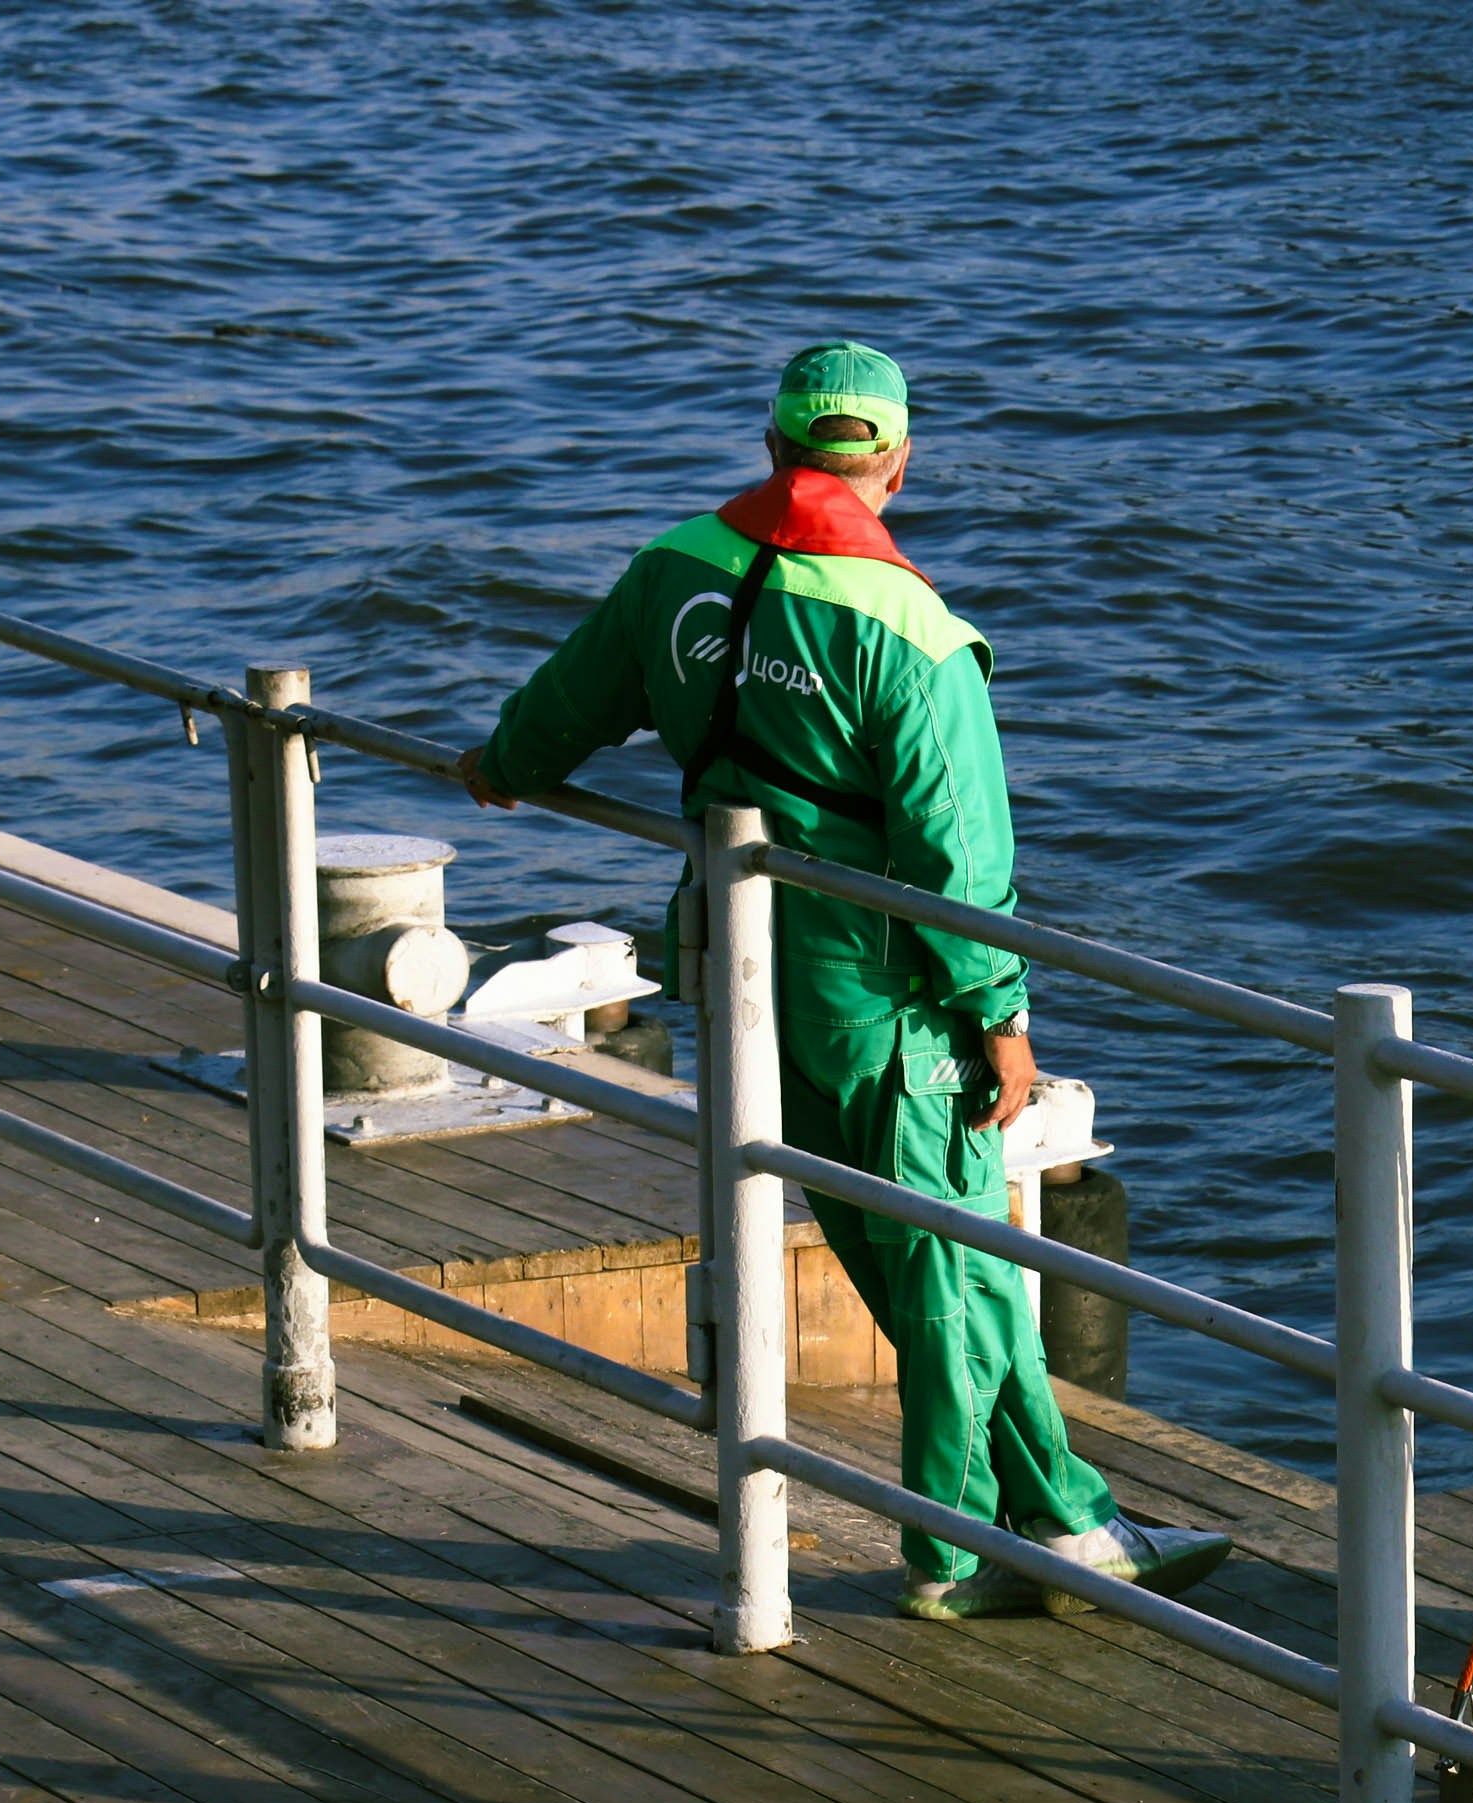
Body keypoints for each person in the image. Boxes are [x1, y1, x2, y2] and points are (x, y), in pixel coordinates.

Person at [462, 340, 1228, 1623]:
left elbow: (558, 715)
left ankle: (1066, 1510)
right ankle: (951, 1548)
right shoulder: (910, 627)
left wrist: (494, 761)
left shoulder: (674, 569)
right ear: (895, 460)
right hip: (886, 985)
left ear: (771, 448)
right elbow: (958, 856)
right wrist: (1002, 1020)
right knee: (949, 1259)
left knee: (899, 1247)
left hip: (742, 958)